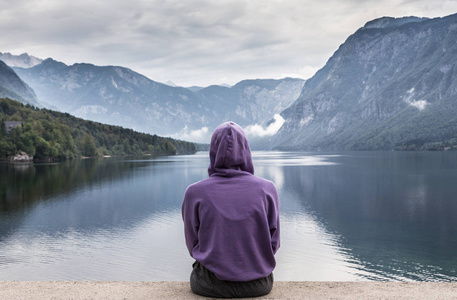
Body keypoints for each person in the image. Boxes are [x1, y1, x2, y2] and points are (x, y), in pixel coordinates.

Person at [182, 121, 280, 298]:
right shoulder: (267, 189)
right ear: (246, 151)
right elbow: (274, 242)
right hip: (259, 285)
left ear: (213, 151)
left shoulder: (195, 192)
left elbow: (193, 244)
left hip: (210, 284)